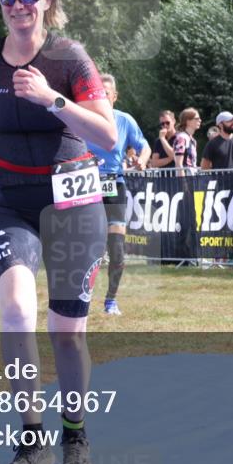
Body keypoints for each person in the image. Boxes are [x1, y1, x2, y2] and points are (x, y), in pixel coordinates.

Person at [0, 0, 115, 464]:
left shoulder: (70, 58)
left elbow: (107, 137)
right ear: (0, 5)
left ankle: (76, 434)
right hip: (7, 200)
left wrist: (52, 98)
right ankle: (31, 436)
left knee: (68, 332)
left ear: (46, 0)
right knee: (17, 313)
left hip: (72, 202)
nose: (18, 5)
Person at [84, 73, 150, 316]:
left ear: (114, 97)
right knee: (89, 248)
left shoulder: (124, 120)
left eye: (106, 94)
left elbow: (145, 147)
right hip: (86, 185)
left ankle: (111, 300)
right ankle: (82, 297)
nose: (101, 98)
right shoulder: (82, 118)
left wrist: (142, 161)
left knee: (117, 248)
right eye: (97, 94)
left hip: (114, 184)